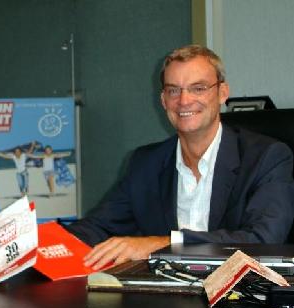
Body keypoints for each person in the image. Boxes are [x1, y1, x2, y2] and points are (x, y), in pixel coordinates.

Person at [66, 44, 294, 270]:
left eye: (198, 88)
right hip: (163, 295)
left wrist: (165, 244)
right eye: (174, 90)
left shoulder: (266, 157)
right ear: (164, 100)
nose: (184, 101)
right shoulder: (145, 163)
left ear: (222, 93)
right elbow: (96, 228)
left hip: (238, 298)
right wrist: (38, 244)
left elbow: (264, 241)